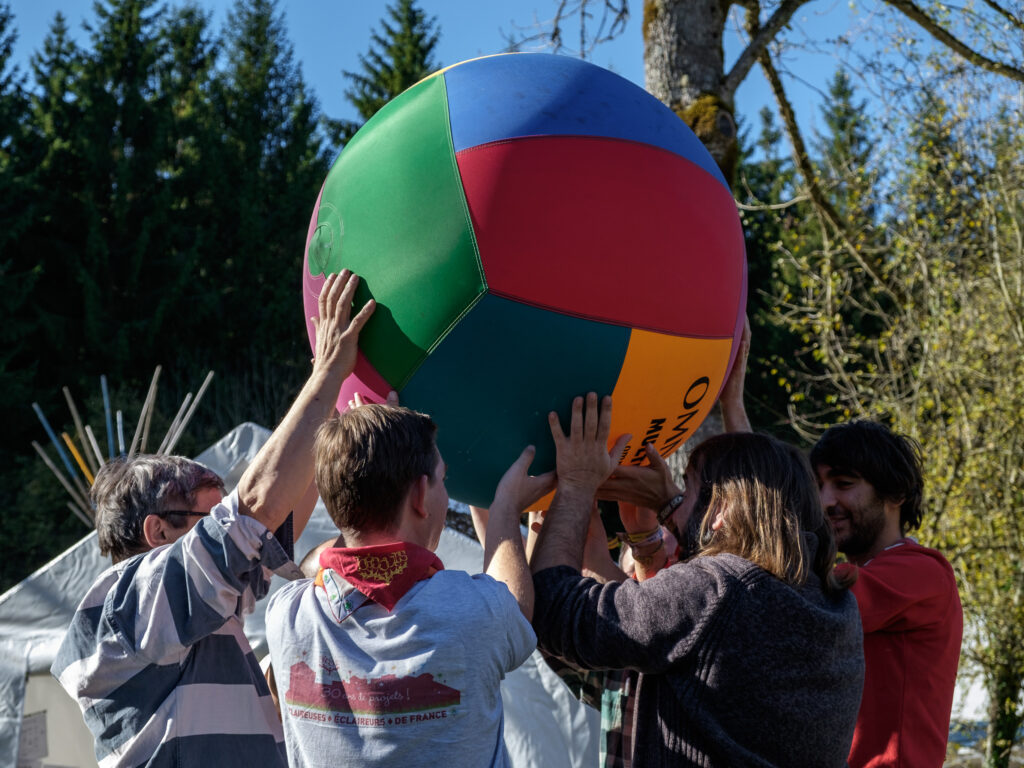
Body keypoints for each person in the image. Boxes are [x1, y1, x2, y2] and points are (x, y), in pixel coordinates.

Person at [51, 270, 374, 768]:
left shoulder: (196, 607)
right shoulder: (123, 604)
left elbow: (270, 518)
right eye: (206, 518)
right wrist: (326, 373)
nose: (224, 527)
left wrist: (337, 410)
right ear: (158, 532)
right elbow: (254, 512)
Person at [530, 393, 864, 766]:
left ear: (720, 509)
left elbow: (557, 608)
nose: (674, 501)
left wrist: (576, 483)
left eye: (685, 488)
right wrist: (657, 523)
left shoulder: (718, 590)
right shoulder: (837, 608)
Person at [264, 402, 552, 767]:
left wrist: (366, 471)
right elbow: (516, 602)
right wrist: (506, 506)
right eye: (443, 480)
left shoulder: (287, 615)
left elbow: (325, 559)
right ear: (419, 495)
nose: (446, 495)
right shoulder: (474, 613)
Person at [811, 421, 963, 768]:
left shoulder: (923, 572)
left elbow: (803, 595)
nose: (825, 501)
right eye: (817, 486)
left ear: (896, 494)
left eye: (844, 484)